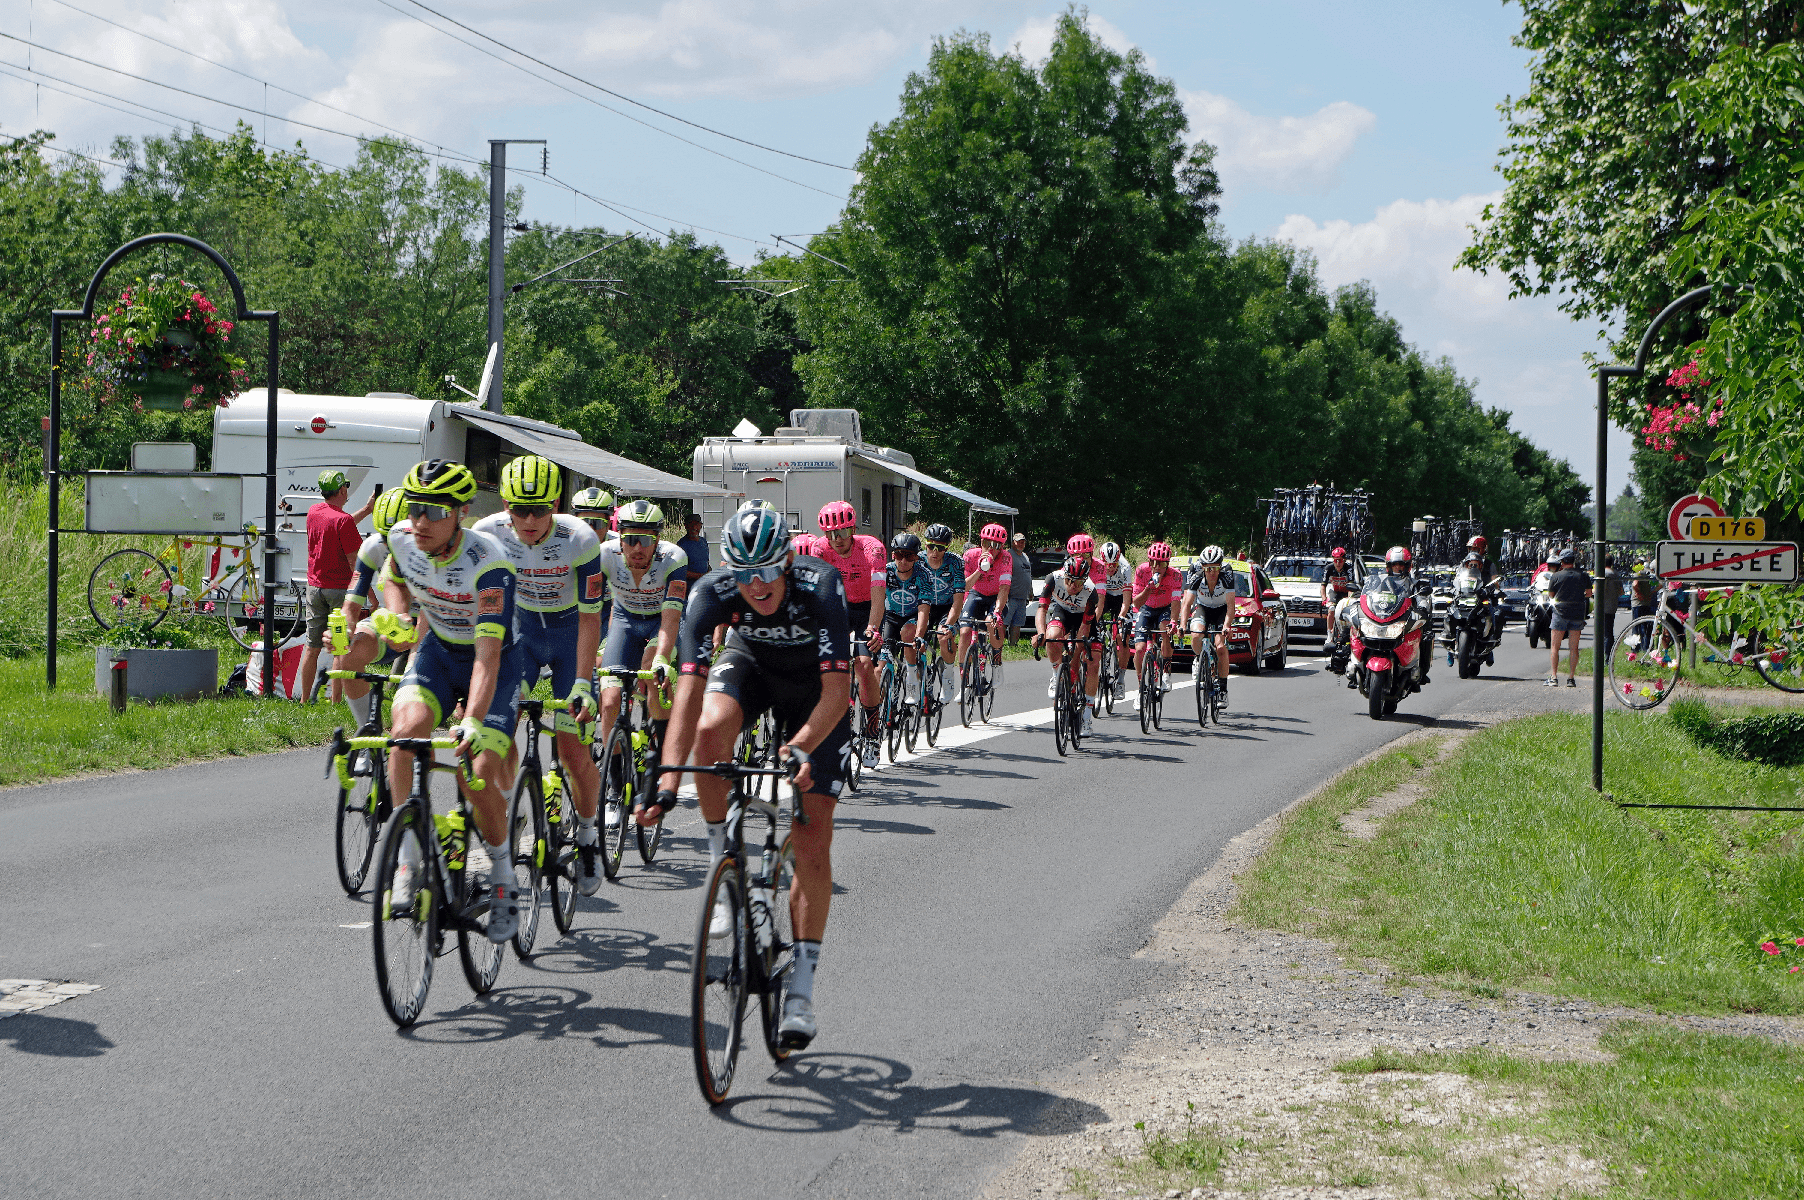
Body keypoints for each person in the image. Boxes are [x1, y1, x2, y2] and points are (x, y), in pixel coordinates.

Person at [642, 502, 853, 1050]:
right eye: (743, 573)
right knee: (711, 731)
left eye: (766, 571)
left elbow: (838, 693)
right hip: (752, 665)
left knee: (812, 838)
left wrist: (802, 746)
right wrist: (667, 782)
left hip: (815, 692)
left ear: (787, 562)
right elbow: (688, 693)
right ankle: (723, 865)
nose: (755, 586)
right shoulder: (710, 593)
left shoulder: (821, 586)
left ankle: (801, 986)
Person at [379, 459, 525, 943]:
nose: (421, 521)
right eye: (414, 508)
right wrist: (400, 615)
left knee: (476, 771)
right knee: (404, 735)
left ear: (460, 513)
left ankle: (503, 876)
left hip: (495, 662)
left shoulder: (489, 563)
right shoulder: (402, 539)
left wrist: (473, 721)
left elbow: (488, 656)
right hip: (439, 653)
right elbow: (393, 576)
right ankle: (408, 860)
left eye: (435, 511)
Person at [472, 456, 607, 894]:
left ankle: (587, 837)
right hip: (522, 635)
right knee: (500, 728)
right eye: (520, 510)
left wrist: (583, 683)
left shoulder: (580, 538)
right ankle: (511, 807)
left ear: (556, 505)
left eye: (540, 510)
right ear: (505, 505)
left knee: (572, 752)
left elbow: (591, 618)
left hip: (570, 636)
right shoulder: (487, 533)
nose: (529, 521)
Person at [595, 499, 689, 820]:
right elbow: (588, 609)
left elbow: (672, 618)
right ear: (620, 539)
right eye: (631, 539)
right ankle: (615, 788)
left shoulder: (674, 558)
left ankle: (659, 759)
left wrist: (662, 658)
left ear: (658, 540)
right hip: (624, 621)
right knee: (609, 703)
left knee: (651, 674)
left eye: (646, 540)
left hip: (660, 623)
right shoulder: (604, 555)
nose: (637, 548)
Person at [800, 501, 888, 768]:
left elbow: (878, 594)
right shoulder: (820, 548)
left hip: (867, 608)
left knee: (864, 665)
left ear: (853, 529)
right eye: (830, 533)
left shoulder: (872, 548)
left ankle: (872, 731)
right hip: (839, 607)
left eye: (842, 532)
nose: (837, 539)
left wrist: (873, 628)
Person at [332, 487, 411, 729]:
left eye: (397, 534)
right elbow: (352, 603)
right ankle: (368, 731)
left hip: (431, 623)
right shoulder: (372, 546)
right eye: (385, 536)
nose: (391, 543)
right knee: (349, 653)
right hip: (394, 622)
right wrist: (344, 630)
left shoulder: (432, 547)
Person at [302, 470, 377, 705]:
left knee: (311, 648)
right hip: (338, 591)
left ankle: (304, 701)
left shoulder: (314, 511)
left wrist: (367, 510)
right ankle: (335, 702)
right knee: (339, 647)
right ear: (343, 490)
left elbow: (338, 524)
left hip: (315, 588)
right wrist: (371, 596)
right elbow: (356, 565)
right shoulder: (343, 521)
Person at [1035, 548, 1102, 735]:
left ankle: (1086, 717)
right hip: (1063, 612)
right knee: (1052, 636)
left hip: (1083, 619)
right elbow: (1042, 610)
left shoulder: (1091, 591)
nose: (1073, 586)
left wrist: (1074, 663)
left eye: (1078, 582)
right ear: (1063, 575)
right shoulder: (1053, 578)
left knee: (1093, 663)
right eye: (1069, 581)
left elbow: (1085, 628)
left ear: (1085, 581)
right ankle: (1056, 673)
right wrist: (1041, 633)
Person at [955, 523, 1015, 692]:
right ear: (981, 542)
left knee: (992, 622)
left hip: (996, 596)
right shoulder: (970, 555)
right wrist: (980, 570)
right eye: (987, 543)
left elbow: (1004, 588)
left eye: (996, 545)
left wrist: (997, 612)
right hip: (976, 593)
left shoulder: (1005, 558)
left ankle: (996, 664)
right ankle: (964, 681)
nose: (991, 549)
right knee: (964, 632)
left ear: (1002, 547)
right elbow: (965, 587)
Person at [879, 532, 932, 705]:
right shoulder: (886, 571)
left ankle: (911, 680)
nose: (903, 561)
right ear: (893, 554)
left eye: (909, 556)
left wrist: (919, 636)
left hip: (913, 617)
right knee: (881, 664)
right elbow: (876, 600)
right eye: (899, 555)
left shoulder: (923, 574)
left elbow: (924, 609)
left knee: (908, 634)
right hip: (891, 616)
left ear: (916, 557)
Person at [1179, 545, 1235, 707]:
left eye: (1215, 568)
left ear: (1220, 566)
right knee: (1196, 635)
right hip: (1203, 608)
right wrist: (1182, 625)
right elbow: (1187, 604)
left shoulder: (1227, 574)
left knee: (1220, 647)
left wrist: (1227, 626)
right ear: (1202, 567)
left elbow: (1231, 606)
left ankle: (1223, 689)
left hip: (1221, 610)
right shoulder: (1196, 574)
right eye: (1208, 568)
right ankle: (1199, 659)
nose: (1212, 572)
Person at [919, 524, 967, 703]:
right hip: (924, 606)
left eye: (940, 548)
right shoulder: (918, 560)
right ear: (925, 544)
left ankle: (947, 674)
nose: (935, 551)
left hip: (947, 607)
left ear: (947, 547)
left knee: (944, 636)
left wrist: (948, 624)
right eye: (931, 546)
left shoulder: (955, 562)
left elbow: (958, 600)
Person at [1130, 542, 1181, 693]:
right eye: (1153, 562)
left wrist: (1174, 621)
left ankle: (1166, 672)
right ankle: (1141, 686)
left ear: (1168, 564)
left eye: (1162, 564)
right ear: (1149, 561)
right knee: (1139, 649)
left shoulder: (1175, 575)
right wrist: (1148, 589)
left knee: (1165, 630)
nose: (1157, 567)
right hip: (1146, 608)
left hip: (1165, 608)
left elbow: (1176, 601)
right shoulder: (1141, 570)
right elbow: (1136, 603)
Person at [1091, 541, 1132, 699]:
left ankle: (1120, 680)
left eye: (1114, 565)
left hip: (1121, 598)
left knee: (1122, 638)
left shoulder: (1125, 567)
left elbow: (1127, 600)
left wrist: (1121, 616)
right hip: (1105, 596)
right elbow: (1095, 596)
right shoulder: (1096, 566)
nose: (1110, 568)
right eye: (1107, 565)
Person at [1546, 547, 1592, 687]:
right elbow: (1589, 593)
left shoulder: (1556, 576)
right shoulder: (1583, 575)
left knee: (1555, 647)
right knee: (1574, 647)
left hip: (1560, 613)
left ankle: (1554, 677)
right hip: (1577, 613)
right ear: (1573, 561)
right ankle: (1571, 678)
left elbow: (1551, 595)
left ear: (1562, 561)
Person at [1323, 547, 1356, 674]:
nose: (1338, 563)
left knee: (1347, 609)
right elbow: (1323, 586)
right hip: (1335, 592)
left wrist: (1349, 599)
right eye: (1336, 560)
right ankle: (1329, 635)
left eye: (1340, 560)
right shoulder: (1329, 568)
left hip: (1346, 592)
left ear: (1344, 560)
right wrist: (1324, 599)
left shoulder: (1349, 568)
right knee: (1331, 609)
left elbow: (1351, 586)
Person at [1006, 532, 1035, 645]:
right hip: (1010, 596)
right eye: (1018, 541)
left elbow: (1028, 575)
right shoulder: (1008, 555)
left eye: (1022, 542)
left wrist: (1030, 591)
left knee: (1017, 623)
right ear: (1013, 542)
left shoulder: (1025, 556)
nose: (1021, 544)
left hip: (1022, 597)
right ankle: (998, 644)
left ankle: (1013, 645)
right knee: (1004, 622)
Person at [1596, 553, 1621, 663]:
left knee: (1602, 632)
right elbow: (1621, 591)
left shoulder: (1602, 573)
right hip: (1612, 605)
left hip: (1602, 606)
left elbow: (1598, 590)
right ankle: (1609, 655)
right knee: (1609, 631)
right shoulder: (1615, 574)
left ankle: (1604, 657)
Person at [678, 512, 711, 584]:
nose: (694, 528)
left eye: (696, 525)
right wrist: (700, 576)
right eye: (691, 525)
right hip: (689, 586)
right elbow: (680, 571)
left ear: (701, 526)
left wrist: (709, 573)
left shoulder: (703, 541)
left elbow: (706, 562)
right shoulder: (681, 545)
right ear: (686, 526)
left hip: (703, 584)